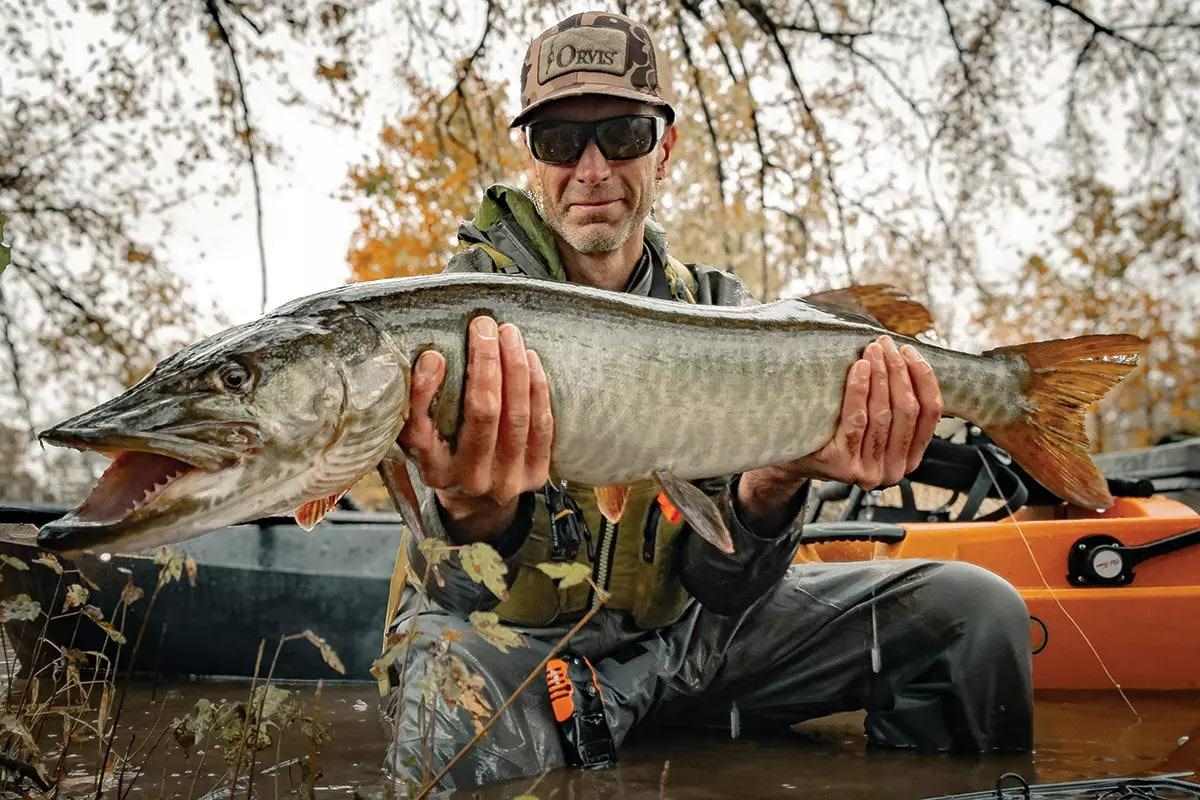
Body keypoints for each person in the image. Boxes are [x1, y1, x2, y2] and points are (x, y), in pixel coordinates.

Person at [380, 11, 1033, 791]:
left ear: (665, 147)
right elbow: (454, 596)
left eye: (622, 134)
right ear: (533, 156)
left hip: (684, 647)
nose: (591, 168)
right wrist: (476, 512)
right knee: (450, 717)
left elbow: (726, 589)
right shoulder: (451, 321)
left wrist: (774, 484)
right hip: (514, 649)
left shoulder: (723, 310)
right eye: (560, 141)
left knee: (973, 613)